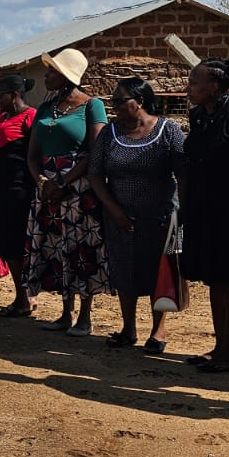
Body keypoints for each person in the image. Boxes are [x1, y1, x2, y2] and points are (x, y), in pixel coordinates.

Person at [88, 78, 186, 353]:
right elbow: (95, 174)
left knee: (161, 272)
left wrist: (181, 212)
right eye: (113, 102)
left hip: (162, 217)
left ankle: (158, 330)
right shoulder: (109, 133)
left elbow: (183, 173)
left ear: (139, 101)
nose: (115, 107)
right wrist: (114, 210)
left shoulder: (169, 131)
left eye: (120, 101)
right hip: (120, 217)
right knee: (124, 270)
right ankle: (128, 328)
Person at [24, 48, 111, 336]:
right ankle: (65, 311)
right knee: (58, 247)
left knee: (81, 248)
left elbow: (95, 151)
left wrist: (64, 182)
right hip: (47, 188)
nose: (46, 75)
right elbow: (32, 155)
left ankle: (85, 316)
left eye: (51, 71)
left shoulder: (91, 106)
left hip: (78, 188)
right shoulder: (46, 108)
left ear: (66, 76)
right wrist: (43, 182)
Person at [181, 58, 229, 372]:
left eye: (194, 83)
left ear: (213, 86)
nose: (188, 89)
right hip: (204, 204)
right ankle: (218, 346)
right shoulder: (199, 115)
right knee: (214, 277)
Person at [0, 75, 38, 318]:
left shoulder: (30, 117)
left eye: (0, 95)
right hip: (0, 189)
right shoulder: (4, 118)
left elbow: (34, 154)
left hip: (18, 189)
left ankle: (24, 298)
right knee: (7, 244)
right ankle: (23, 295)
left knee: (16, 244)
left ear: (14, 95)